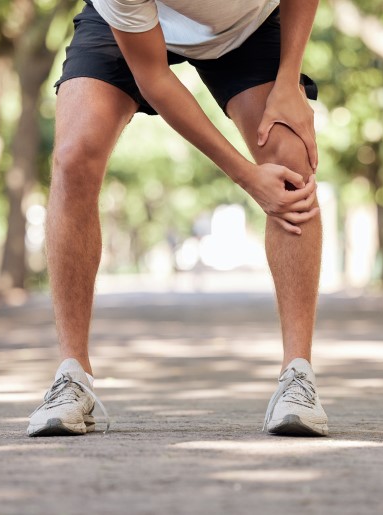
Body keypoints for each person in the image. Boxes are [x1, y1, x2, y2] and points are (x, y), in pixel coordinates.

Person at [27, 0, 328, 437]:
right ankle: (72, 376)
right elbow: (154, 78)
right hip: (128, 26)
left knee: (290, 155)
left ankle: (298, 375)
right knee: (74, 156)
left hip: (244, 27)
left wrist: (288, 81)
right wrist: (246, 177)